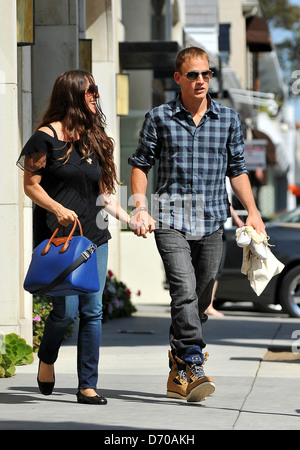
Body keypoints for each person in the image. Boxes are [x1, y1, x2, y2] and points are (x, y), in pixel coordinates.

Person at [128, 47, 265, 403]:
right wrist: (140, 207)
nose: (201, 80)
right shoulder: (159, 117)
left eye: (206, 74)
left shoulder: (229, 119)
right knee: (184, 291)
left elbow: (237, 169)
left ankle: (177, 370)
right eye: (193, 75)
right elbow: (141, 164)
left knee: (200, 298)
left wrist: (252, 211)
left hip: (211, 221)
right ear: (178, 78)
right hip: (170, 218)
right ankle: (193, 360)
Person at [17, 70, 130, 405]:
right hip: (60, 238)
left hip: (94, 236)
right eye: (91, 90)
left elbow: (105, 195)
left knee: (93, 310)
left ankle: (87, 385)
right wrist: (57, 208)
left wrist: (131, 219)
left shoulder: (95, 139)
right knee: (65, 312)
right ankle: (47, 357)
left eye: (96, 89)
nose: (96, 95)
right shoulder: (44, 139)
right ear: (73, 95)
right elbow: (30, 185)